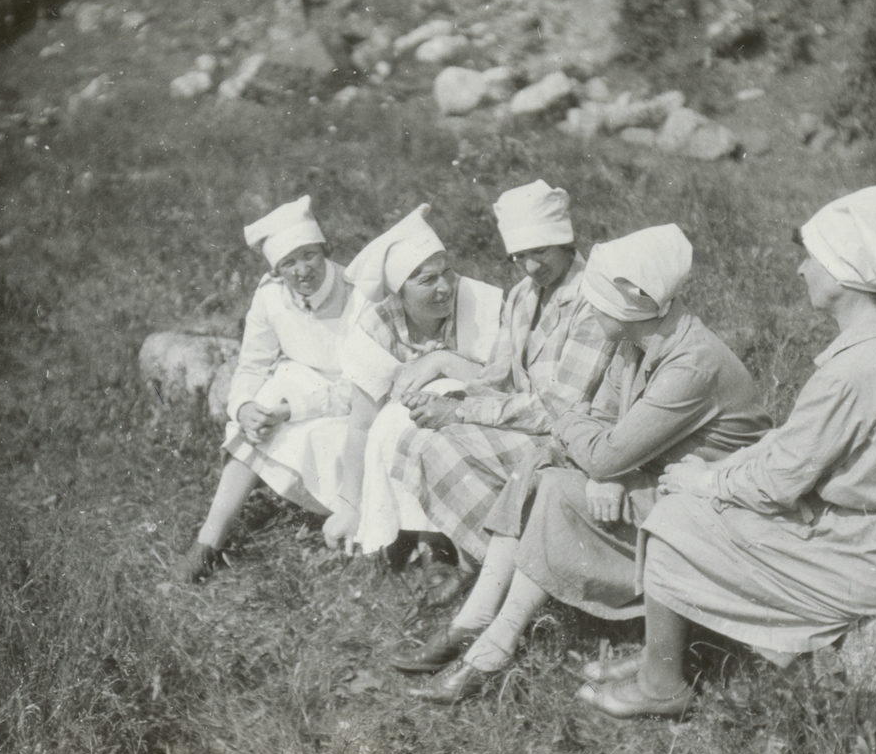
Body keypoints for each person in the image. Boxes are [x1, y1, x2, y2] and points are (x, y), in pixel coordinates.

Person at [576, 184, 876, 719]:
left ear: (843, 272)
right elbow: (793, 444)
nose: (801, 270)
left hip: (866, 558)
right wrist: (724, 468)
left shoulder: (852, 371)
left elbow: (779, 481)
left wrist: (704, 481)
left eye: (812, 258)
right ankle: (658, 657)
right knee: (697, 505)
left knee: (673, 519)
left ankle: (662, 685)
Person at [394, 224, 773, 702]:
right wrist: (605, 464)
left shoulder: (690, 365)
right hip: (662, 482)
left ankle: (492, 645)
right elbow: (599, 423)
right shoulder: (638, 342)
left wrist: (599, 457)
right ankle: (480, 622)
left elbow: (598, 445)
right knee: (538, 462)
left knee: (554, 486)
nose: (589, 311)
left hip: (713, 509)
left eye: (595, 301)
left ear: (627, 304)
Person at [388, 180, 616, 604]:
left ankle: (524, 574)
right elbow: (498, 377)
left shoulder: (592, 299)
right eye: (518, 256)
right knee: (414, 438)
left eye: (539, 252)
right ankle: (495, 564)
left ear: (565, 241)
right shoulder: (523, 296)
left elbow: (561, 407)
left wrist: (460, 414)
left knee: (442, 446)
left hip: (573, 438)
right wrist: (453, 400)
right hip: (528, 426)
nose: (530, 266)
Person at [172, 196, 375, 583]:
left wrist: (291, 410)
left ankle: (354, 533)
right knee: (256, 413)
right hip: (298, 390)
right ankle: (209, 541)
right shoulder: (270, 295)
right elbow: (252, 364)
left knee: (322, 438)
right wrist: (244, 406)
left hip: (353, 403)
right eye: (288, 263)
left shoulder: (358, 294)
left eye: (309, 255)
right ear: (277, 270)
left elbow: (362, 385)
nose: (302, 270)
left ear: (325, 250)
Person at [337, 204, 504, 555]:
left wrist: (442, 361)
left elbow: (504, 384)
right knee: (399, 417)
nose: (444, 288)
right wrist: (350, 507)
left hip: (481, 429)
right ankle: (422, 537)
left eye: (447, 272)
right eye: (427, 280)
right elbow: (362, 425)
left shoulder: (479, 302)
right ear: (399, 293)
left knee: (443, 391)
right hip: (404, 445)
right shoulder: (376, 328)